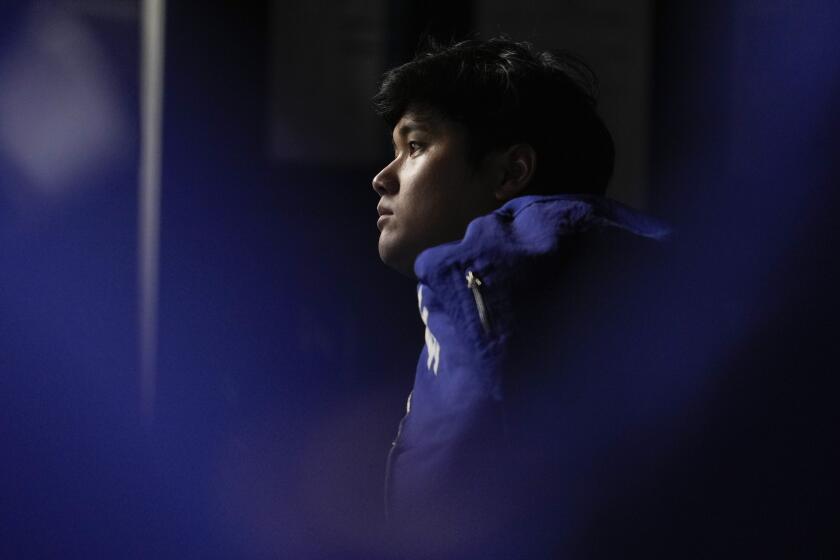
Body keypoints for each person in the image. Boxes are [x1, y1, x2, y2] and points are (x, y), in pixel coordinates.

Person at [370, 37, 670, 557]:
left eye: (415, 146)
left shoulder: (510, 274)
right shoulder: (475, 289)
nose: (383, 177)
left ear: (510, 172)